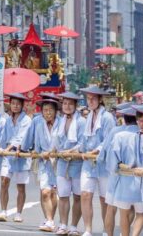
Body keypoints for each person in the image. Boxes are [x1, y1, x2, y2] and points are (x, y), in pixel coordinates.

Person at [107, 105, 143, 236]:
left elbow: (111, 162)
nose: (141, 124)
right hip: (139, 178)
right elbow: (134, 161)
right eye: (139, 121)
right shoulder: (137, 137)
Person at [78, 85, 115, 236]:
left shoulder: (107, 117)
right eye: (88, 98)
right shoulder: (89, 116)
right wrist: (76, 150)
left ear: (100, 100)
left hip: (103, 163)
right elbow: (84, 141)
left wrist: (96, 150)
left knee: (104, 199)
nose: (90, 101)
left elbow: (109, 140)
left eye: (93, 98)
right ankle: (87, 229)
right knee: (85, 195)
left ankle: (107, 230)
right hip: (88, 162)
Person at [0, 92, 33, 223]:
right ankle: (3, 211)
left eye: (18, 104)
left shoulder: (27, 120)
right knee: (4, 182)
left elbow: (21, 138)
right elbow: (3, 138)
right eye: (13, 104)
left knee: (20, 187)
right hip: (8, 156)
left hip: (21, 154)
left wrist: (8, 148)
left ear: (22, 105)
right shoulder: (7, 119)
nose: (15, 106)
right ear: (10, 105)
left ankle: (18, 213)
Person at [29, 96, 62, 232]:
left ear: (55, 111)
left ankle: (50, 219)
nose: (47, 113)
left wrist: (55, 152)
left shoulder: (61, 122)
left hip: (58, 162)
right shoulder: (37, 122)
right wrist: (25, 149)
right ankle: (49, 220)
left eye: (50, 110)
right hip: (43, 161)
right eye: (45, 110)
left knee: (53, 193)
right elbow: (29, 138)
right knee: (45, 192)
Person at [55, 92, 84, 235]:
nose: (67, 106)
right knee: (63, 195)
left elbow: (83, 143)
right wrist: (57, 151)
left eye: (70, 104)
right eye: (65, 103)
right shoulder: (59, 120)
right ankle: (63, 224)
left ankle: (74, 226)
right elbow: (56, 141)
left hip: (77, 163)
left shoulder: (81, 121)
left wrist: (71, 152)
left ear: (75, 106)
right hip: (62, 162)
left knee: (78, 196)